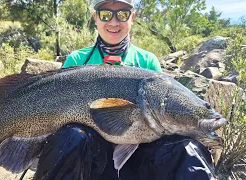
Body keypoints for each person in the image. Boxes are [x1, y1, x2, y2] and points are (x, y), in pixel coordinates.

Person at [33, 0, 216, 179]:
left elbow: (164, 113)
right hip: (90, 160)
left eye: (122, 14)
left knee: (185, 148)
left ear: (132, 17)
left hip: (138, 161)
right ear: (95, 18)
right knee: (72, 137)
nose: (113, 22)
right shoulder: (77, 60)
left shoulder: (147, 61)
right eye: (105, 15)